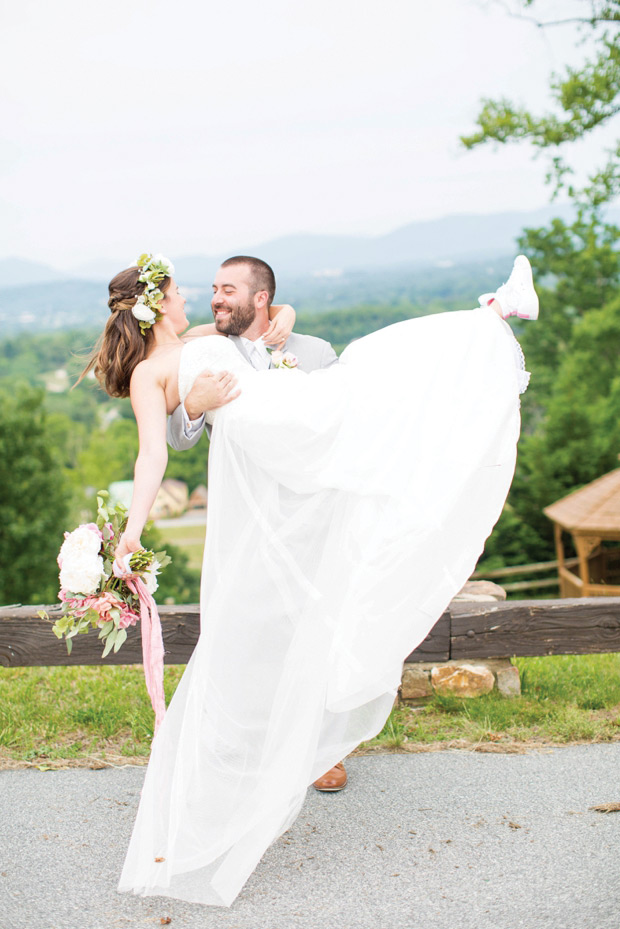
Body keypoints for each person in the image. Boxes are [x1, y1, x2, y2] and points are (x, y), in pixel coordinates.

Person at [85, 251, 537, 907]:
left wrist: (284, 312)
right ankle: (487, 325)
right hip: (274, 422)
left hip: (277, 410)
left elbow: (266, 325)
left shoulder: (204, 339)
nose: (195, 299)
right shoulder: (151, 373)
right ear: (157, 307)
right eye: (183, 292)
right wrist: (133, 528)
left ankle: (490, 319)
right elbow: (154, 452)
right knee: (359, 394)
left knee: (364, 376)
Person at [165, 255, 349, 793]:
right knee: (243, 627)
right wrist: (194, 407)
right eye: (214, 289)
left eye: (228, 290)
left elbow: (340, 423)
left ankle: (321, 751)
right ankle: (243, 745)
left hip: (305, 517)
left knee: (309, 628)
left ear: (260, 298)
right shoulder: (209, 352)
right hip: (242, 520)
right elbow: (179, 438)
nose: (217, 298)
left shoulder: (313, 352)